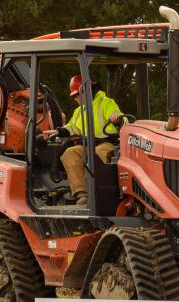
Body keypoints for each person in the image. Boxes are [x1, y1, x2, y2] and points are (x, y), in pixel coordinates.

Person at [42, 75, 122, 206]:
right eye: (73, 96)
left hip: (106, 143)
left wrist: (116, 117)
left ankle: (100, 193)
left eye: (76, 95)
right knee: (70, 153)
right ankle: (81, 195)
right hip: (87, 145)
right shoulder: (79, 111)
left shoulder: (106, 103)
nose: (75, 99)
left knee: (98, 154)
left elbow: (117, 115)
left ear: (86, 91)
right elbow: (72, 127)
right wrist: (58, 131)